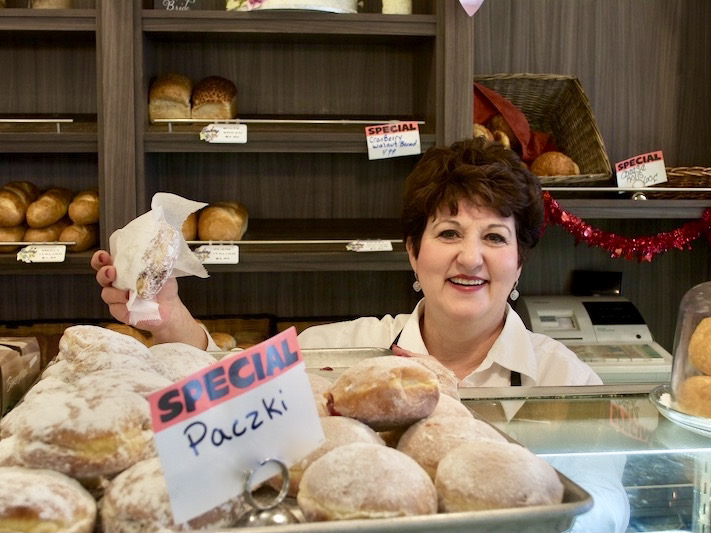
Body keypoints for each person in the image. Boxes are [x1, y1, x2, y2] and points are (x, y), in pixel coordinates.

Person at [91, 136, 629, 532]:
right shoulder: (343, 352)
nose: (471, 257)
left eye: (494, 236)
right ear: (414, 255)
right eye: (448, 233)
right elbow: (227, 390)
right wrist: (170, 319)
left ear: (519, 261)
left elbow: (609, 504)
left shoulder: (564, 377)